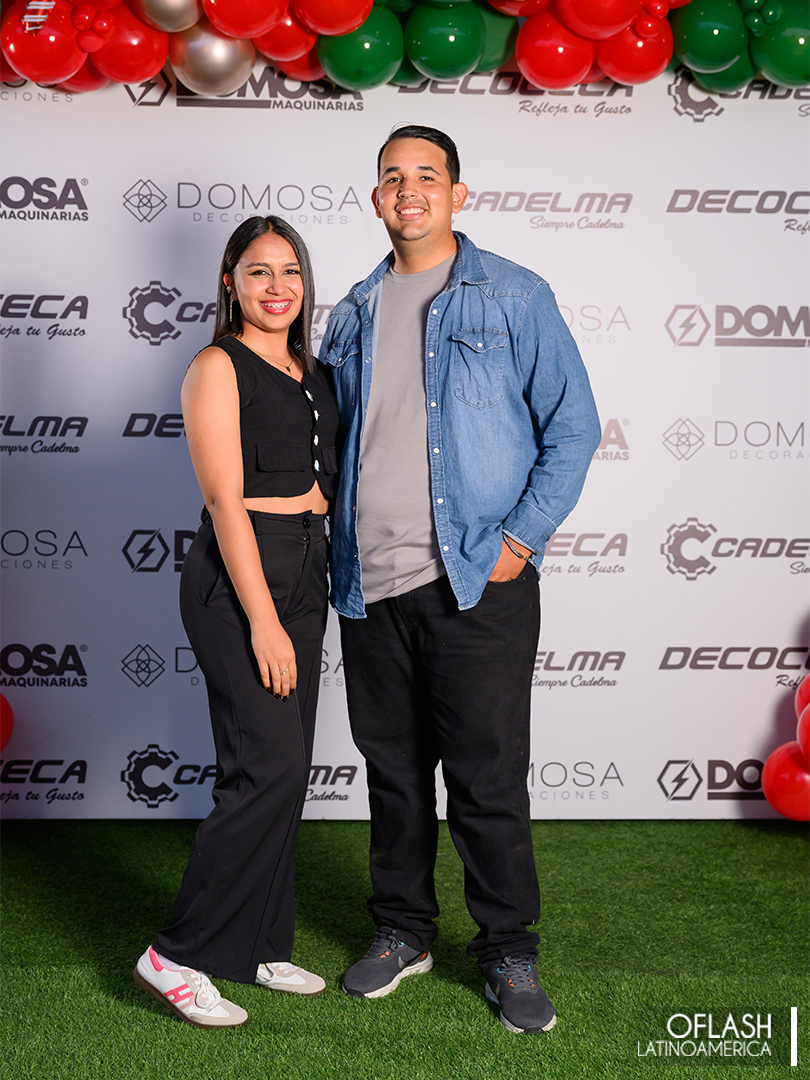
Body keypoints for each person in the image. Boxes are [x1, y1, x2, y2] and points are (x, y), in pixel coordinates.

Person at [320, 125, 600, 1035]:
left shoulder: (513, 294)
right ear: (376, 198)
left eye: (427, 176)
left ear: (457, 193)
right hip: (371, 586)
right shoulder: (353, 311)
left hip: (478, 582)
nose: (409, 191)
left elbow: (574, 426)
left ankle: (508, 950)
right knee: (394, 775)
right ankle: (402, 931)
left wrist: (519, 539)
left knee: (487, 777)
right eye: (392, 177)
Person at [133, 215, 339, 1028]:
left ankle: (257, 943)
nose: (277, 286)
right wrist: (263, 619)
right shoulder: (216, 365)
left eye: (290, 271)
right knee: (268, 770)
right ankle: (175, 954)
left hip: (310, 566)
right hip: (243, 574)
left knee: (284, 770)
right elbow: (224, 502)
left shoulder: (313, 370)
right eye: (258, 271)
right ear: (230, 282)